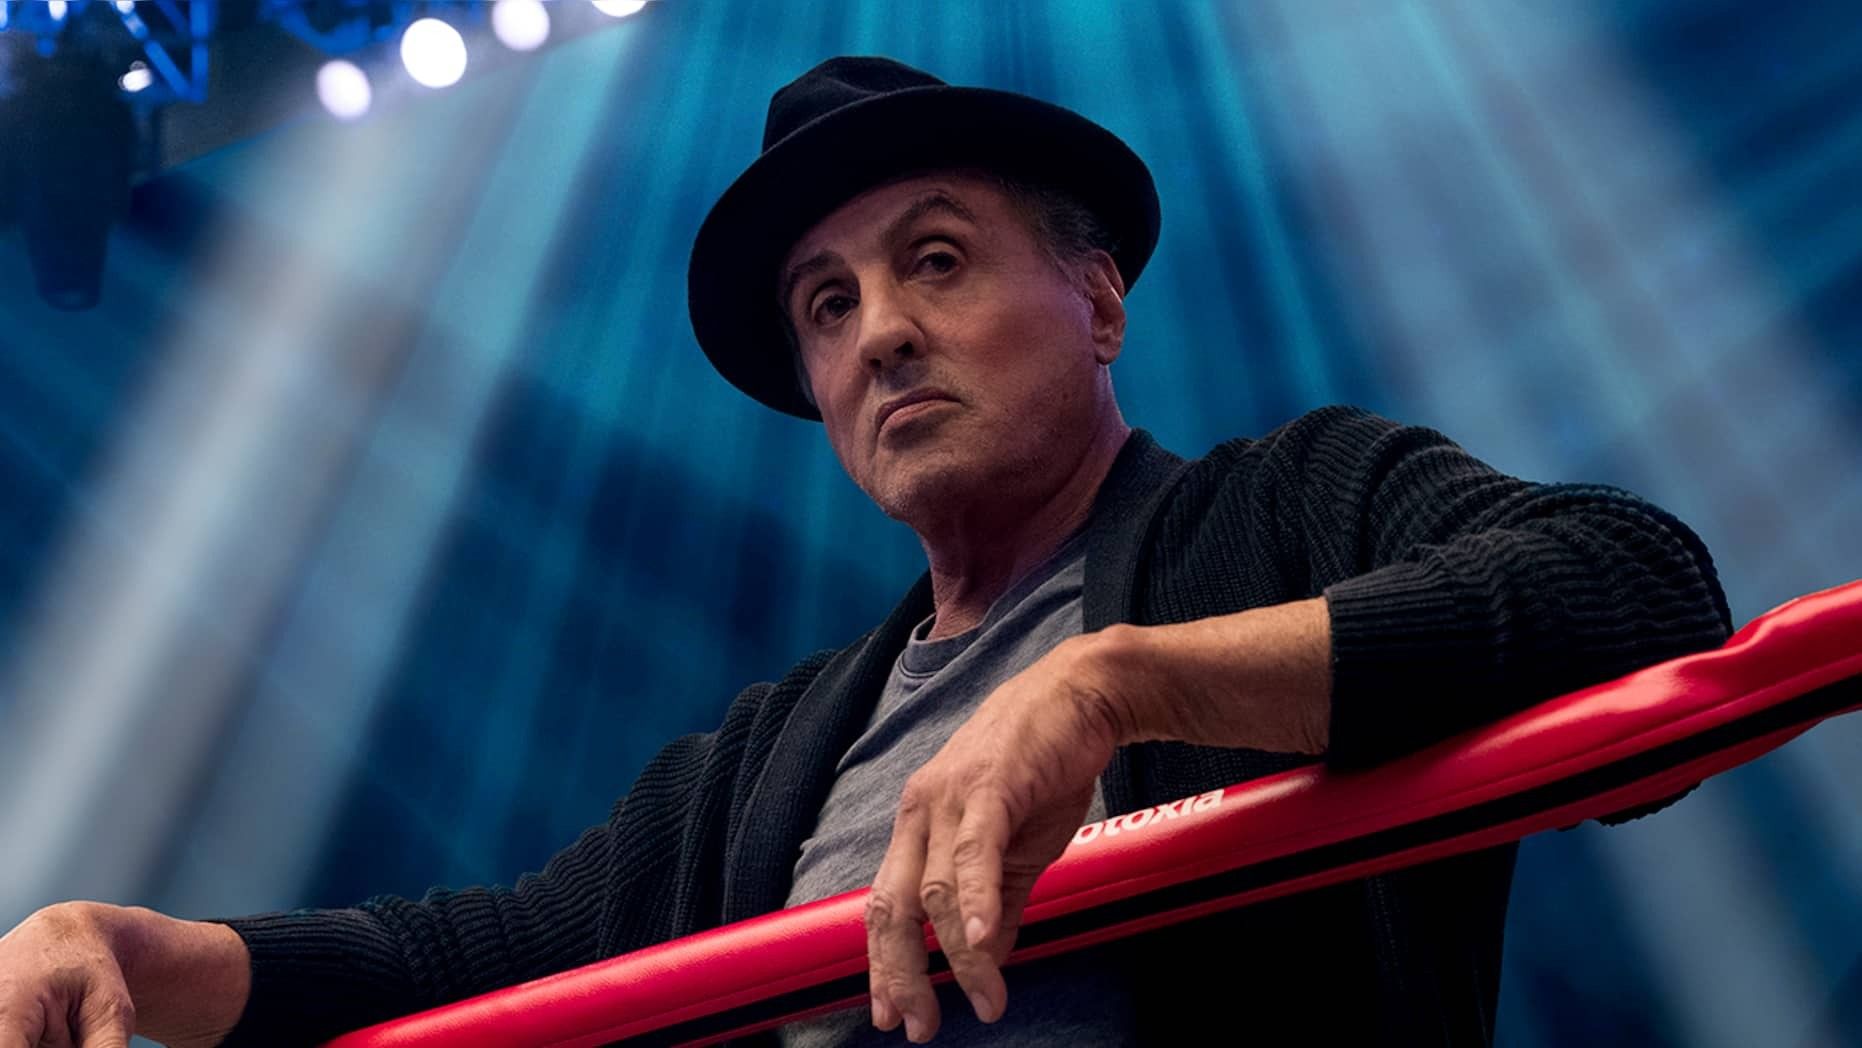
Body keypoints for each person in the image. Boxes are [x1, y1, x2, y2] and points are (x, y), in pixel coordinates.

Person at [0, 56, 1732, 1047]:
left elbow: (1640, 589)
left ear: (1098, 299)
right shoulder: (768, 757)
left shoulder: (1290, 506)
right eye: (827, 306)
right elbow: (478, 956)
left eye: (937, 260)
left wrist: (1117, 686)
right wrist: (146, 950)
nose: (880, 331)